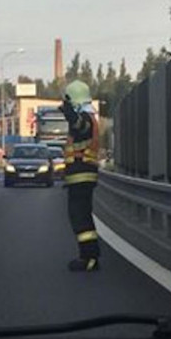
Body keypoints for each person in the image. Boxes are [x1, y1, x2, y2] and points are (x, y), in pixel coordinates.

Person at [60, 80, 101, 272]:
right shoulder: (90, 117)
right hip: (81, 175)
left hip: (82, 175)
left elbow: (78, 126)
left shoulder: (85, 118)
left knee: (80, 217)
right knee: (80, 216)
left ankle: (89, 258)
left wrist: (68, 112)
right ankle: (89, 255)